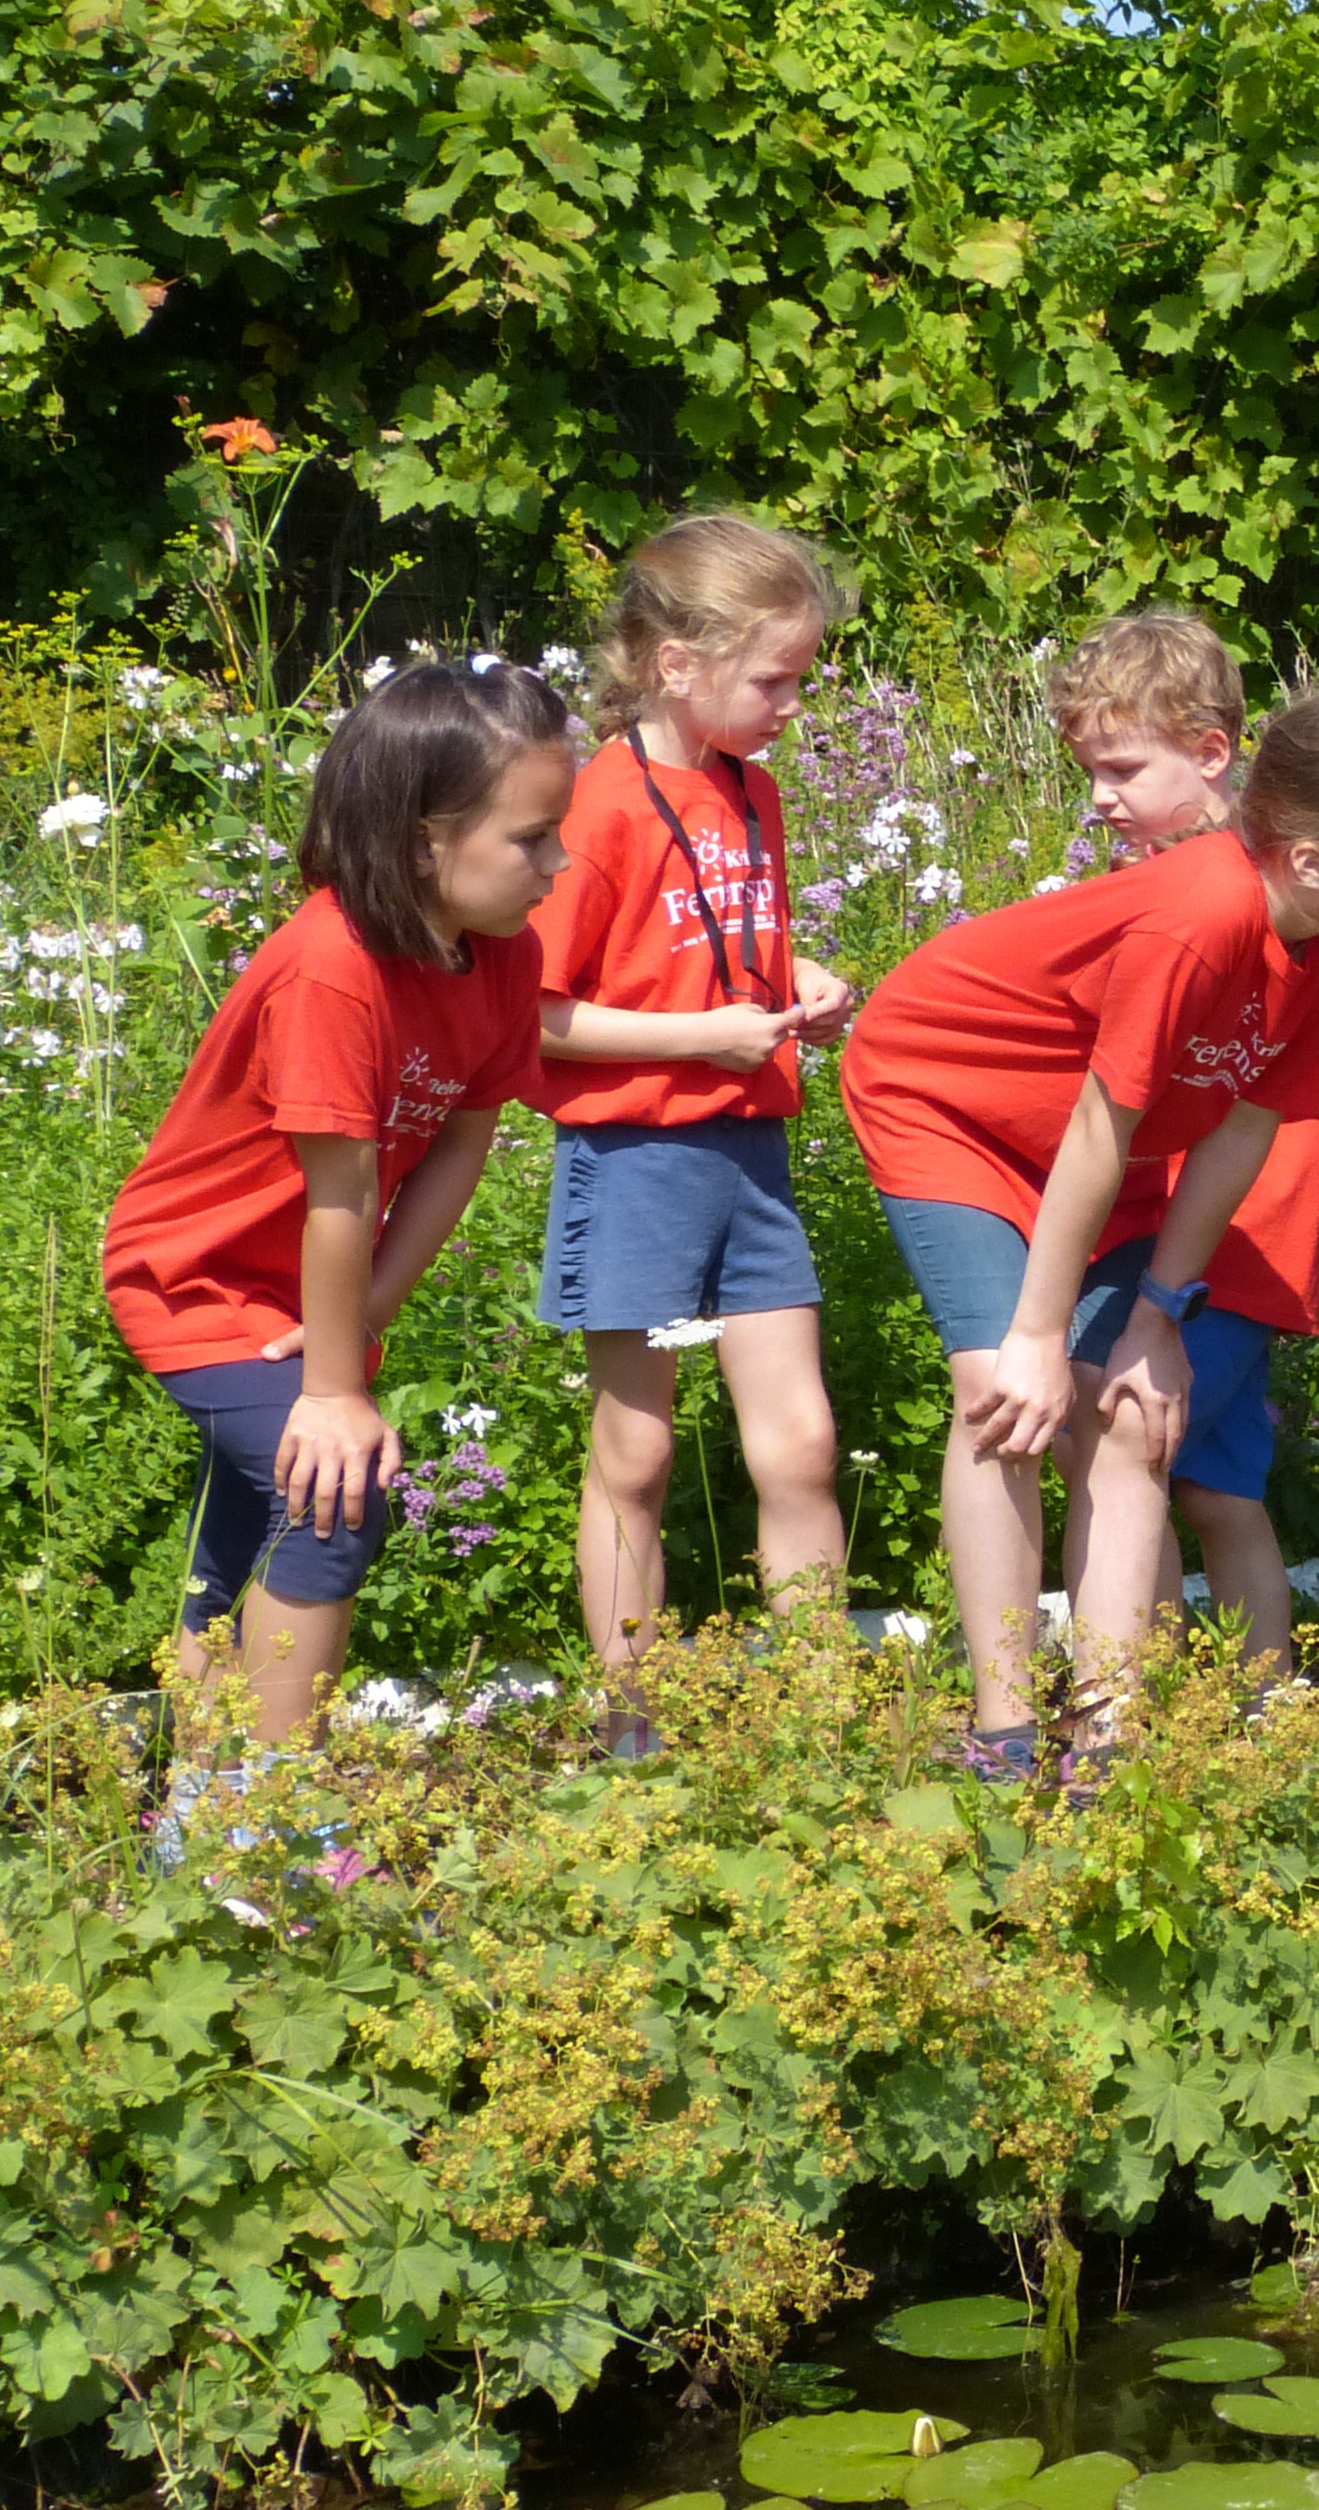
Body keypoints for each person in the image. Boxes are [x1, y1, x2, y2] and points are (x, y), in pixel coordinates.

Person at [841, 685, 1319, 1782]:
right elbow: (1098, 1121)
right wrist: (1038, 1331)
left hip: (1100, 1150)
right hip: (950, 1100)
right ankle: (1005, 1727)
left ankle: (1105, 1741)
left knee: (1129, 1410)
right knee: (1005, 1391)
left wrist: (1160, 1312)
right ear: (1311, 858)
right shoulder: (1201, 914)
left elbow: (1241, 1127)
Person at [106, 658, 573, 1753]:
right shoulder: (332, 966)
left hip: (312, 1288)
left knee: (260, 1515)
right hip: (196, 1278)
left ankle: (192, 1813)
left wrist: (354, 1328)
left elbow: (462, 1137)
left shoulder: (502, 953)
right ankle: (264, 1823)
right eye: (532, 837)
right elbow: (342, 1186)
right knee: (336, 1492)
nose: (558, 862)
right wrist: (330, 1390)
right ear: (423, 839)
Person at [533, 516, 857, 1757]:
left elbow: (724, 952)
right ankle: (629, 1716)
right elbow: (540, 1014)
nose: (791, 702)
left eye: (800, 677)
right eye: (773, 677)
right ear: (678, 663)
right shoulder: (596, 806)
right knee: (639, 1444)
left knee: (804, 1439)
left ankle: (821, 1717)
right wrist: (698, 1041)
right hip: (639, 1168)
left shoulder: (748, 791)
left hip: (748, 1161)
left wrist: (803, 983)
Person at [1047, 611, 1319, 1673]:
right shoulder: (1218, 878)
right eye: (1091, 770)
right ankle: (1265, 1695)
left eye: (1120, 767)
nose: (1100, 796)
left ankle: (1146, 1694)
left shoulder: (1229, 892)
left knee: (1116, 1445)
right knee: (1217, 1485)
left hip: (1227, 1234)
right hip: (1227, 1239)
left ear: (1211, 751)